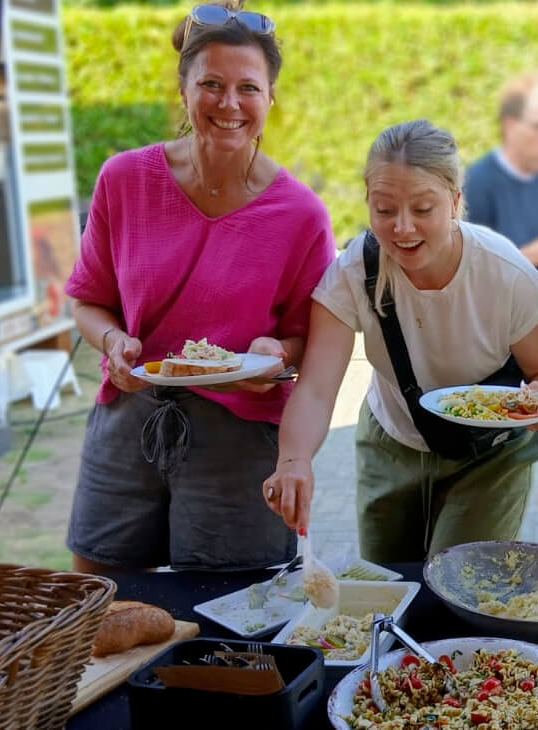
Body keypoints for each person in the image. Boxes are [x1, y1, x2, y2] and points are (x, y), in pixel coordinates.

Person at [63, 2, 334, 573]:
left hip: (237, 433)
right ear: (183, 91)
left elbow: (311, 342)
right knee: (100, 593)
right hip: (129, 414)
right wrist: (113, 341)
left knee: (227, 615)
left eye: (247, 88)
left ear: (270, 97)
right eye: (211, 84)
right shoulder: (124, 179)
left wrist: (277, 355)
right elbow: (89, 300)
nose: (229, 104)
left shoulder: (300, 213)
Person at [261, 119, 538, 563]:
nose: (403, 229)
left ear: (455, 201)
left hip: (489, 457)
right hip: (390, 440)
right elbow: (315, 387)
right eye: (384, 211)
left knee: (458, 586)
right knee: (389, 586)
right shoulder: (354, 271)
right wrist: (294, 461)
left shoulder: (506, 275)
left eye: (423, 209)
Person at [464, 72, 538, 547]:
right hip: (495, 346)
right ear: (510, 125)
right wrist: (535, 253)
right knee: (516, 459)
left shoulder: (533, 183)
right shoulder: (480, 180)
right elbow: (465, 261)